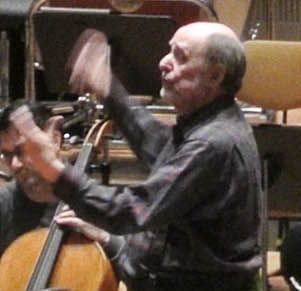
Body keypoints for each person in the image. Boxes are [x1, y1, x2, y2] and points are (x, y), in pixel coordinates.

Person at [9, 22, 262, 291]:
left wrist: (53, 169)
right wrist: (107, 88)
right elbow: (157, 146)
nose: (164, 62)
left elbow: (129, 212)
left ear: (215, 75)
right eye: (169, 51)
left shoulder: (212, 144)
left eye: (180, 56)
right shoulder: (209, 124)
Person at [0, 101, 62, 254]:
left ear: (54, 140)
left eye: (22, 151)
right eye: (7, 155)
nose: (14, 165)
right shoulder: (3, 205)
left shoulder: (93, 204)